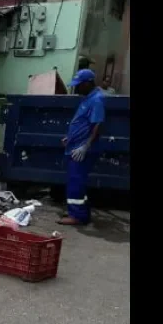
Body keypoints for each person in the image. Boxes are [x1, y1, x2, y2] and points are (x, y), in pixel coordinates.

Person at [58, 69, 105, 226]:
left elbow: (97, 124)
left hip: (82, 149)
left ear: (87, 83)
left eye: (79, 85)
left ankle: (77, 215)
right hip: (75, 145)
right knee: (77, 181)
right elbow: (83, 123)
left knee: (75, 181)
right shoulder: (88, 98)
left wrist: (85, 146)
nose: (76, 88)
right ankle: (80, 212)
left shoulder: (96, 100)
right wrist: (69, 138)